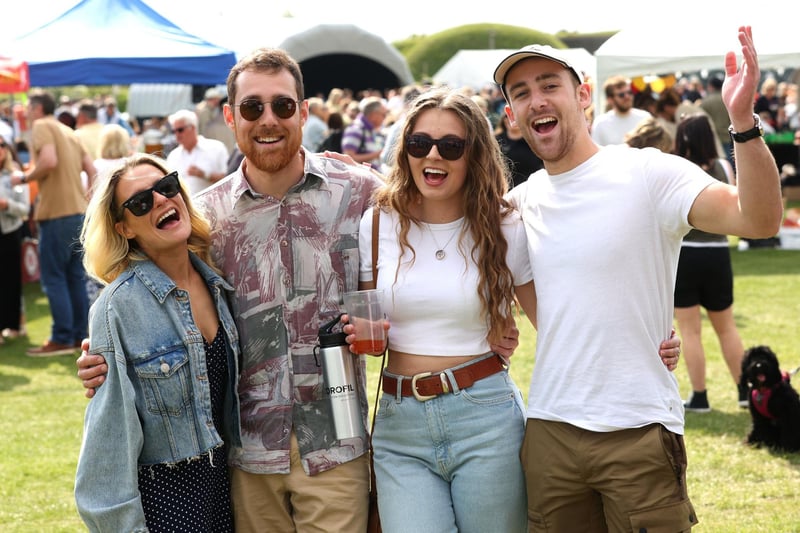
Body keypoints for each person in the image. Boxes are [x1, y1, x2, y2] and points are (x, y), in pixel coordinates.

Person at [77, 47, 388, 532]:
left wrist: (486, 314)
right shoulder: (204, 217)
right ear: (229, 115)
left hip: (336, 443)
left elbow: (433, 228)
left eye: (283, 106)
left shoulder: (359, 190)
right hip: (245, 457)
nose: (269, 119)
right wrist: (104, 356)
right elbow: (154, 293)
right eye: (252, 107)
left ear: (304, 112)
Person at [493, 28, 782, 531]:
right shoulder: (519, 206)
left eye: (548, 85)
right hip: (550, 432)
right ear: (513, 117)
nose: (535, 100)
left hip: (639, 429)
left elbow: (757, 220)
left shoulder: (648, 173)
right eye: (520, 94)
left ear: (583, 95)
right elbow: (553, 316)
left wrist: (743, 124)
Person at [346, 86, 537, 533]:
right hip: (399, 422)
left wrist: (646, 344)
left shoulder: (504, 223)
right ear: (405, 149)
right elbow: (371, 315)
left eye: (451, 146)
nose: (433, 156)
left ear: (475, 155)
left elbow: (554, 320)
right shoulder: (376, 223)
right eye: (419, 143)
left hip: (485, 415)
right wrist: (363, 334)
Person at [74, 154, 241, 532]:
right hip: (166, 504)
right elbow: (107, 446)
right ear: (124, 228)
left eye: (166, 187)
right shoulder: (117, 308)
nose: (162, 200)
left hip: (227, 495)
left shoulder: (217, 282)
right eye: (141, 202)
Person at [9, 90, 96, 357]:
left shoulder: (42, 126)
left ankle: (61, 337)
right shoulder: (69, 130)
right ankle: (80, 335)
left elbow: (48, 161)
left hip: (55, 214)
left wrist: (23, 179)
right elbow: (91, 170)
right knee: (74, 278)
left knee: (54, 279)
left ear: (36, 108)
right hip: (78, 213)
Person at [672, 113, 748, 412]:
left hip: (686, 253)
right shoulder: (723, 167)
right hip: (717, 253)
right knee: (726, 327)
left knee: (690, 331)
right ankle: (744, 391)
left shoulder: (677, 168)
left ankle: (700, 395)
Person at [0, 139, 29, 345]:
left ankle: (14, 323)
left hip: (10, 232)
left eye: (2, 144)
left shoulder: (16, 175)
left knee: (11, 280)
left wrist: (6, 204)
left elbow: (25, 209)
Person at [165, 109, 229, 195]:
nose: (177, 134)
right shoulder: (173, 156)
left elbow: (229, 179)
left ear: (193, 127)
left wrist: (206, 175)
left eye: (180, 130)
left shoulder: (216, 148)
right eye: (174, 131)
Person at [591, 75, 653, 146]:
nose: (627, 97)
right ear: (610, 100)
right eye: (621, 95)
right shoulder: (600, 123)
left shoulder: (645, 118)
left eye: (629, 92)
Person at [495, 112, 544, 187]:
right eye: (508, 117)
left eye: (515, 117)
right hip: (506, 191)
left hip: (533, 188)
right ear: (504, 120)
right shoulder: (497, 141)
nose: (512, 120)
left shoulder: (535, 139)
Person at [342, 95, 387, 169]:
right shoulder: (355, 129)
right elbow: (348, 158)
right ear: (373, 115)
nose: (385, 118)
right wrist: (378, 154)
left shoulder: (370, 129)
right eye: (383, 115)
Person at [196, 87, 237, 155]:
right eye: (216, 99)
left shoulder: (207, 109)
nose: (217, 102)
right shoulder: (204, 111)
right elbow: (204, 131)